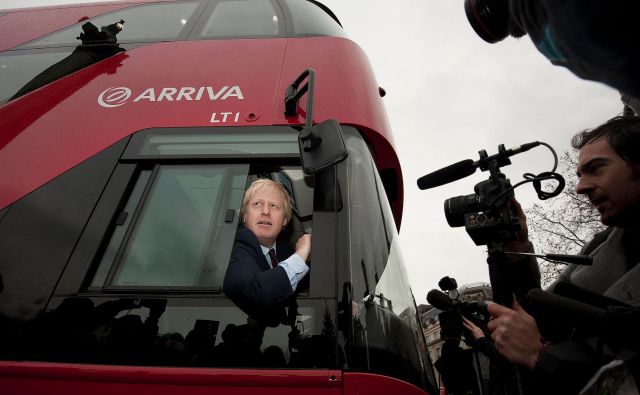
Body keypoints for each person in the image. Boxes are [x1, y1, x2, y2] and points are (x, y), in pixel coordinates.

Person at [486, 115, 640, 392]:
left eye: (596, 168)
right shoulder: (600, 246)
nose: (581, 187)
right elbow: (542, 314)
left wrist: (542, 359)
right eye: (580, 175)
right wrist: (518, 250)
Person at [223, 179, 311, 320]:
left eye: (274, 206)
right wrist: (302, 253)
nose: (265, 211)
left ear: (284, 221)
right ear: (245, 215)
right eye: (257, 204)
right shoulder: (237, 245)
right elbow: (257, 291)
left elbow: (313, 283)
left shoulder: (284, 251)